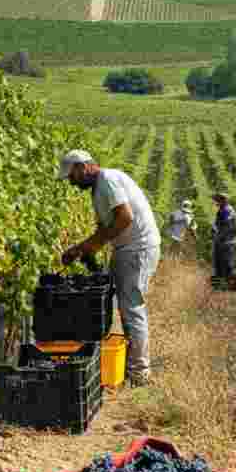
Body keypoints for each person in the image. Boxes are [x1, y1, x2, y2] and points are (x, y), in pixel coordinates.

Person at [59, 150, 161, 386]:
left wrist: (90, 245)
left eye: (71, 176)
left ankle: (139, 373)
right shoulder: (99, 188)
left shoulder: (108, 180)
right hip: (126, 248)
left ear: (82, 167)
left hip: (137, 248)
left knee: (131, 306)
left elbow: (125, 218)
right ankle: (131, 365)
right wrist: (82, 249)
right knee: (125, 307)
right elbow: (105, 228)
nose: (71, 183)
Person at [211, 193, 236, 281]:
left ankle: (226, 278)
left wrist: (220, 235)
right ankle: (222, 278)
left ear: (223, 200)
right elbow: (218, 224)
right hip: (225, 238)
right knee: (223, 260)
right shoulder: (223, 209)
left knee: (224, 260)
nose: (216, 202)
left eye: (218, 200)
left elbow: (227, 223)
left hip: (226, 239)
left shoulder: (227, 210)